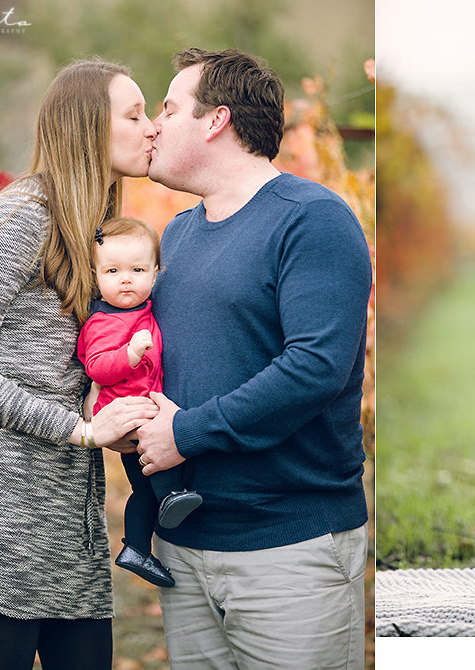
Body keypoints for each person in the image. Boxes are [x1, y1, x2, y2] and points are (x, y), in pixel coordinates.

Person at [135, 48, 371, 668]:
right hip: (184, 545)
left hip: (288, 546)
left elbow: (315, 367)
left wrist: (184, 432)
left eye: (168, 108)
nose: (153, 126)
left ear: (216, 120)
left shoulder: (312, 220)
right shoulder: (181, 234)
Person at [0, 59, 160, 670]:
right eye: (135, 115)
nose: (152, 129)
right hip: (2, 509)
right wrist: (82, 429)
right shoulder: (22, 218)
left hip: (70, 512)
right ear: (89, 129)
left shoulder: (97, 233)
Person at [77, 216, 202, 589]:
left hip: (140, 403)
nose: (126, 278)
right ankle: (172, 497)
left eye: (137, 269)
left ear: (156, 273)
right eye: (113, 270)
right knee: (151, 465)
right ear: (96, 275)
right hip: (123, 410)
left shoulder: (141, 309)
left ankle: (136, 548)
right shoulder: (103, 322)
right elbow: (98, 368)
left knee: (140, 487)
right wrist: (130, 354)